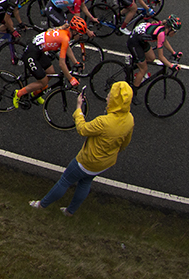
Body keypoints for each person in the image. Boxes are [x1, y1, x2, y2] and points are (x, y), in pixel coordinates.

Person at [29, 81, 133, 216]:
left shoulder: (103, 122)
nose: (107, 98)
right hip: (106, 162)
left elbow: (83, 129)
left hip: (87, 161)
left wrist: (78, 109)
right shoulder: (129, 119)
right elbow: (125, 143)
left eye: (109, 96)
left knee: (65, 181)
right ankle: (70, 211)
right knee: (85, 182)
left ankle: (42, 205)